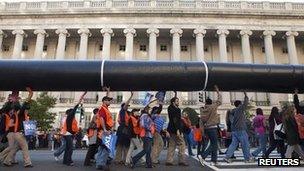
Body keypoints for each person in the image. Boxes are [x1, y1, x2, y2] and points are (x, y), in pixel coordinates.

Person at [3, 87, 33, 168]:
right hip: (19, 133)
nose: (27, 110)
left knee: (14, 148)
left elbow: (9, 124)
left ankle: (7, 160)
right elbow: (26, 102)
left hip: (16, 133)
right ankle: (27, 163)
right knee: (25, 147)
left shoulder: (14, 114)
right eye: (27, 109)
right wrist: (30, 93)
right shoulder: (21, 112)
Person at [224, 92, 253, 163]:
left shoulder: (232, 111)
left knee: (233, 145)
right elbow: (246, 103)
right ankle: (247, 158)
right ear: (239, 105)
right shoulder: (239, 109)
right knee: (245, 144)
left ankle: (227, 157)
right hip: (241, 130)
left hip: (234, 130)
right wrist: (246, 95)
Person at [61, 91, 86, 166]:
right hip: (68, 134)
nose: (74, 113)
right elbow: (76, 106)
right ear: (70, 113)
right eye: (73, 112)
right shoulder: (70, 116)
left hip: (67, 134)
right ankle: (69, 161)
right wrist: (82, 96)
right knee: (70, 148)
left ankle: (65, 161)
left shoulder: (69, 118)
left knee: (68, 148)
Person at [199, 85, 222, 165]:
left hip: (206, 129)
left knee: (213, 144)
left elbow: (201, 122)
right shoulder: (213, 107)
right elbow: (219, 100)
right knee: (214, 144)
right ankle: (203, 156)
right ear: (211, 102)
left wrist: (202, 132)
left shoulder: (202, 110)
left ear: (205, 103)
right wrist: (217, 91)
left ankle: (214, 161)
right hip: (213, 128)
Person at [166, 95, 188, 166]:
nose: (178, 102)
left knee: (172, 145)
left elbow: (175, 119)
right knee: (182, 144)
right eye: (177, 101)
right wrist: (178, 130)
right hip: (176, 129)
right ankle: (181, 161)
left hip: (171, 129)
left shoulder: (170, 108)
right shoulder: (177, 110)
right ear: (173, 102)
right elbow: (175, 120)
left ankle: (169, 161)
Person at [96, 87, 114, 171]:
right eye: (108, 100)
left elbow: (106, 98)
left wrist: (108, 91)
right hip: (104, 131)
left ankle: (99, 164)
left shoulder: (105, 108)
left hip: (103, 131)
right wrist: (105, 129)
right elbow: (102, 119)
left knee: (102, 148)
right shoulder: (103, 109)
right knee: (106, 148)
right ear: (104, 101)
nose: (110, 102)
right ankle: (101, 164)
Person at [115, 92, 133, 165]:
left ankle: (124, 159)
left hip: (124, 129)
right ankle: (119, 159)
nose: (127, 107)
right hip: (123, 129)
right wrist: (131, 96)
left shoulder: (127, 113)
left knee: (125, 145)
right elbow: (125, 105)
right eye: (126, 106)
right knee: (121, 145)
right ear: (123, 107)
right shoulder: (122, 111)